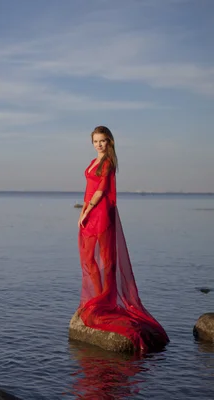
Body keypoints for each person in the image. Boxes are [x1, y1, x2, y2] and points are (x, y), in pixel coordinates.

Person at [77, 126, 169, 352]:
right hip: (89, 210)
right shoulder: (92, 162)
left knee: (107, 260)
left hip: (101, 211)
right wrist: (82, 210)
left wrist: (88, 210)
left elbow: (100, 190)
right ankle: (99, 298)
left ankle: (103, 300)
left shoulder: (108, 163)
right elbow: (88, 188)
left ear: (110, 142)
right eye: (96, 141)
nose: (99, 144)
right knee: (88, 257)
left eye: (102, 141)